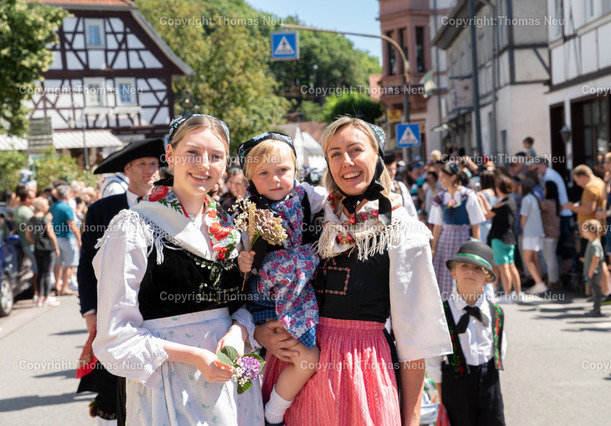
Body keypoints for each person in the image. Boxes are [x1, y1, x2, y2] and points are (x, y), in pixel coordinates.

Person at [255, 117, 451, 425]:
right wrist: (261, 332)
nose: (346, 161)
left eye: (355, 150)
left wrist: (411, 420)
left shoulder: (402, 231)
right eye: (334, 153)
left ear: (376, 154)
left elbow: (414, 342)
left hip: (362, 376)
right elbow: (265, 283)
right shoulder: (312, 216)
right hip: (295, 370)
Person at [92, 114, 263, 424]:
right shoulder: (135, 228)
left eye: (216, 156)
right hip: (167, 383)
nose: (204, 165)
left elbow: (248, 300)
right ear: (170, 155)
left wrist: (238, 332)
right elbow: (114, 335)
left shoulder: (232, 228)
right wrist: (193, 355)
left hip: (229, 384)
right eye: (192, 153)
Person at [236, 132, 326, 425]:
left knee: (289, 355)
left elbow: (335, 201)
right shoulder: (249, 211)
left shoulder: (306, 195)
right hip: (269, 297)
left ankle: (258, 407)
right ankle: (270, 414)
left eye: (283, 170)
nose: (275, 179)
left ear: (295, 169)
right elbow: (238, 252)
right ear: (250, 178)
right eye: (263, 173)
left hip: (299, 292)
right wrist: (242, 260)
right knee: (303, 358)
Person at [77, 137, 164, 424]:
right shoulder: (101, 210)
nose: (150, 170)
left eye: (154, 164)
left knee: (155, 386)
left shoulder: (169, 206)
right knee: (111, 385)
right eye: (142, 164)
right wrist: (90, 312)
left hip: (159, 312)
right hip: (114, 312)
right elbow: (86, 266)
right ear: (127, 169)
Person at [426, 240, 506, 426]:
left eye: (477, 269)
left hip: (490, 385)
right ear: (454, 272)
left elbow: (500, 349)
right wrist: (441, 394)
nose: (471, 272)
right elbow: (433, 359)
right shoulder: (442, 313)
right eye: (464, 266)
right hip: (455, 388)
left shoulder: (495, 312)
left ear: (487, 278)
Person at [429, 162, 486, 299]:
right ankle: (447, 304)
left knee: (464, 272)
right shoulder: (440, 197)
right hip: (446, 241)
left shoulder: (467, 195)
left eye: (443, 177)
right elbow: (437, 227)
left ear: (453, 177)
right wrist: (433, 250)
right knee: (445, 274)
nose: (440, 180)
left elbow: (475, 225)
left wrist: (475, 249)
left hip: (463, 239)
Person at [485, 175, 521, 302]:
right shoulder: (511, 201)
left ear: (499, 188)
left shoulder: (500, 204)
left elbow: (486, 215)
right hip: (510, 237)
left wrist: (482, 200)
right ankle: (518, 293)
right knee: (511, 266)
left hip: (499, 238)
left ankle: (507, 294)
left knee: (503, 267)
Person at [26, 197, 60, 307]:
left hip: (37, 248)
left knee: (40, 272)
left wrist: (36, 241)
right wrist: (56, 247)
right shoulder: (45, 219)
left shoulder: (31, 220)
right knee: (47, 273)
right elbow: (51, 234)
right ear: (42, 207)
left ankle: (40, 297)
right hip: (48, 248)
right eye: (46, 205)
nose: (48, 207)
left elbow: (28, 236)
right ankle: (45, 296)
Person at [51, 184, 82, 296]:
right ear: (67, 194)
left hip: (55, 239)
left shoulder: (53, 206)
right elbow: (72, 225)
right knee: (70, 264)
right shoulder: (66, 207)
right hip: (67, 238)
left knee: (58, 264)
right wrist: (79, 239)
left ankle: (58, 286)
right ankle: (64, 287)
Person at [521, 178, 546, 294]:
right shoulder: (534, 197)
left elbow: (524, 217)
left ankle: (539, 283)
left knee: (527, 260)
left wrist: (521, 226)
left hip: (530, 233)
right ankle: (539, 283)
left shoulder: (526, 199)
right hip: (537, 232)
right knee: (535, 259)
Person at [541, 181, 561, 291]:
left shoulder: (546, 203)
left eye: (544, 189)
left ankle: (552, 281)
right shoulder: (557, 203)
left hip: (548, 234)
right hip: (555, 233)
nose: (543, 191)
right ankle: (554, 280)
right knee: (552, 258)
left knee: (549, 259)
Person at [583, 219, 605, 317]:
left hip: (595, 273)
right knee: (594, 292)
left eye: (585, 230)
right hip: (592, 272)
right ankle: (595, 309)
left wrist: (590, 272)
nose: (583, 232)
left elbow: (596, 259)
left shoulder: (595, 244)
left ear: (591, 232)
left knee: (597, 292)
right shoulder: (591, 242)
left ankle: (597, 310)